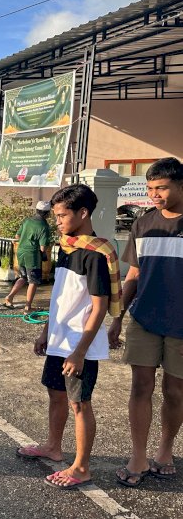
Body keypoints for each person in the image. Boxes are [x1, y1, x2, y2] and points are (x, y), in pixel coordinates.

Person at [17, 184, 119, 490]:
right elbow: (60, 295)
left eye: (62, 215)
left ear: (83, 213)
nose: (57, 221)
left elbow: (99, 307)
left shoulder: (95, 254)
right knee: (56, 394)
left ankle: (82, 466)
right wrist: (45, 331)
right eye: (56, 216)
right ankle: (53, 446)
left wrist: (79, 351)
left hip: (80, 346)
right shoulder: (67, 247)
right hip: (58, 341)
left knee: (79, 404)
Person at [110, 157, 183, 488]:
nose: (155, 194)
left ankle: (165, 451)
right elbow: (134, 275)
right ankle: (138, 454)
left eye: (162, 188)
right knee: (140, 385)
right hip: (145, 317)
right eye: (151, 188)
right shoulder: (144, 223)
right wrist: (117, 317)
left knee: (176, 390)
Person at [2, 200, 52, 314]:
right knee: (33, 281)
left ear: (37, 210)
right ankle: (28, 307)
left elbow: (17, 235)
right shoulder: (44, 226)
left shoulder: (27, 220)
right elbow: (43, 247)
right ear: (48, 213)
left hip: (21, 252)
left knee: (23, 277)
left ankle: (9, 297)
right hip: (32, 255)